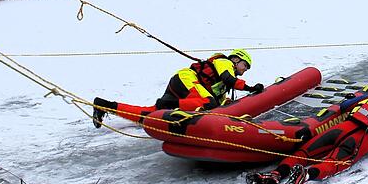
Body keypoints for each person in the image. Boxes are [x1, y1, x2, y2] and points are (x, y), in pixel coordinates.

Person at [245, 80, 368, 184]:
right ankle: (306, 175)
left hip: (340, 128)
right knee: (333, 162)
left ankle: (277, 173)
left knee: (305, 152)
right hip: (359, 141)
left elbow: (344, 106)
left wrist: (350, 100)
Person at [91, 49, 263, 128]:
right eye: (245, 65)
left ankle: (104, 105)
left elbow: (222, 101)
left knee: (149, 115)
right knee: (208, 102)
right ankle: (170, 103)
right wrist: (250, 88)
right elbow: (228, 78)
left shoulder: (223, 87)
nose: (245, 70)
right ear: (236, 59)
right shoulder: (225, 62)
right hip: (186, 79)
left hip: (184, 89)